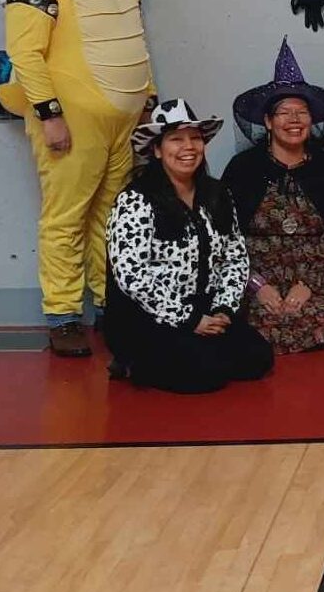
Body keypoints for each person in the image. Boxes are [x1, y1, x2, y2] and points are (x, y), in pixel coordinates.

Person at [0, 0, 157, 357]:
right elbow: (25, 53)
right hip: (71, 118)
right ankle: (63, 314)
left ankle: (110, 303)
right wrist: (49, 115)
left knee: (113, 216)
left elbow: (134, 38)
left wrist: (148, 100)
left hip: (124, 123)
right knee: (66, 216)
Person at [104, 100, 273, 393]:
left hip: (204, 306)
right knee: (205, 373)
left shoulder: (217, 194)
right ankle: (133, 361)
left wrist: (223, 309)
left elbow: (235, 256)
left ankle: (198, 350)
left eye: (195, 138)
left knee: (258, 357)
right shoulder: (136, 199)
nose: (188, 147)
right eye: (176, 139)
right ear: (157, 149)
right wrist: (190, 320)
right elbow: (132, 277)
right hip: (150, 314)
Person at [223, 38, 324, 354]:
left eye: (302, 112)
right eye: (284, 112)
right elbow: (225, 237)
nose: (294, 120)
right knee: (251, 337)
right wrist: (257, 285)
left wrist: (308, 285)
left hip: (312, 284)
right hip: (255, 283)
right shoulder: (243, 168)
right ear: (268, 122)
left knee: (316, 330)